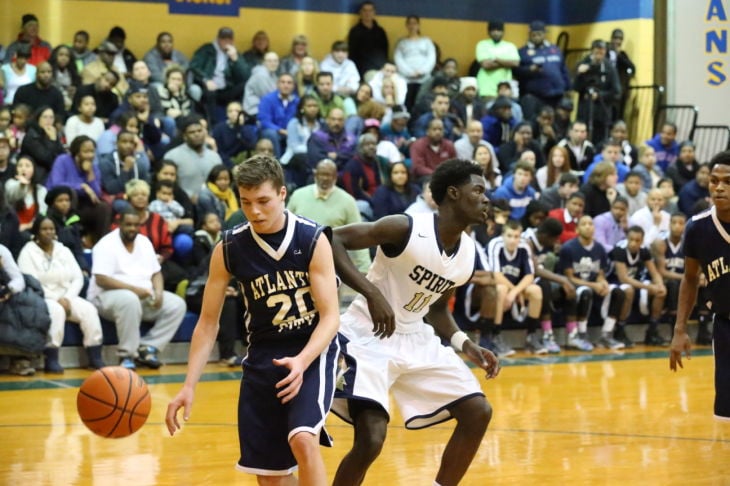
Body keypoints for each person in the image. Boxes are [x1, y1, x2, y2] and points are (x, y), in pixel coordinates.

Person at [166, 154, 340, 484]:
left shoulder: (312, 239)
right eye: (246, 202)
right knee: (270, 476)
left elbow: (331, 317)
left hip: (313, 349)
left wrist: (302, 361)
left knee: (303, 438)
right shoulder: (230, 247)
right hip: (263, 354)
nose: (254, 211)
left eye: (263, 201)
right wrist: (188, 385)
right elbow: (207, 323)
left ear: (282, 194)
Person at [330, 158, 499, 486]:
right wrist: (371, 293)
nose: (486, 199)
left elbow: (436, 310)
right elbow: (333, 239)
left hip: (415, 336)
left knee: (478, 411)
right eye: (478, 190)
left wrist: (466, 344)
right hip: (368, 335)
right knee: (371, 441)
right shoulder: (404, 227)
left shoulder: (467, 255)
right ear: (453, 193)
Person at [671, 150, 730, 420]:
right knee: (726, 413)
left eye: (727, 181)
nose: (719, 187)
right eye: (714, 180)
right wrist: (680, 329)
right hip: (726, 324)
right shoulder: (697, 228)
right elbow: (690, 278)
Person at [87, 209, 186, 369]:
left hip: (142, 295)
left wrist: (159, 292)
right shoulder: (106, 244)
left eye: (135, 225)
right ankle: (127, 355)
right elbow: (102, 279)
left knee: (176, 304)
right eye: (128, 225)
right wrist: (134, 290)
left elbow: (156, 272)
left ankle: (148, 347)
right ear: (119, 225)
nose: (132, 228)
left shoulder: (144, 242)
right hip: (105, 298)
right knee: (129, 299)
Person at [18, 216, 106, 372]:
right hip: (42, 297)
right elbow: (31, 282)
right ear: (36, 232)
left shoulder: (63, 250)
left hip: (67, 295)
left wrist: (67, 297)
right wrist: (56, 299)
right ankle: (51, 358)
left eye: (51, 229)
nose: (48, 232)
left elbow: (78, 277)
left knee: (89, 310)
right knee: (57, 311)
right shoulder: (28, 252)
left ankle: (95, 356)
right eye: (44, 229)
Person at [558, 215, 632, 350]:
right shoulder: (568, 248)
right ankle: (581, 333)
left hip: (594, 285)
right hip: (577, 287)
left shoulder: (599, 248)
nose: (588, 227)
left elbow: (600, 275)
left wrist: (603, 283)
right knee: (586, 292)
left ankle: (607, 334)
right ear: (577, 229)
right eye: (584, 224)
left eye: (590, 224)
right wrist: (594, 285)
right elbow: (570, 278)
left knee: (618, 292)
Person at [486, 220, 543, 356]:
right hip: (493, 287)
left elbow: (530, 275)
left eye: (516, 236)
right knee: (501, 289)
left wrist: (515, 292)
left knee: (536, 290)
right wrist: (514, 292)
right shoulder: (495, 244)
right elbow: (497, 276)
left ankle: (531, 336)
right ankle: (495, 336)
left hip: (516, 288)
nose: (513, 240)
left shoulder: (524, 246)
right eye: (509, 236)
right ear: (503, 236)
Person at [609, 226, 668, 346]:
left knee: (661, 292)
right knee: (629, 290)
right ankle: (619, 331)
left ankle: (652, 331)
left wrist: (660, 285)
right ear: (627, 238)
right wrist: (649, 287)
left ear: (642, 241)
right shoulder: (619, 250)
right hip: (613, 283)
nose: (633, 243)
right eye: (631, 239)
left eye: (637, 240)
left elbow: (654, 273)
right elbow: (623, 278)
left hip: (635, 282)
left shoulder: (644, 251)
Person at [573, 40, 621, 145]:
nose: (599, 55)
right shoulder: (583, 63)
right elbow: (575, 87)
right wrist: (580, 74)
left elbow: (616, 91)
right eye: (597, 52)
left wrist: (600, 95)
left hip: (602, 113)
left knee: (601, 141)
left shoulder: (609, 67)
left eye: (602, 52)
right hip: (585, 112)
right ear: (592, 51)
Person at [394, 15, 437, 110]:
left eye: (414, 23)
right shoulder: (401, 43)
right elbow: (398, 59)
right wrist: (409, 73)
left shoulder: (427, 41)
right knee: (406, 104)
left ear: (418, 25)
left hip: (424, 79)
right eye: (409, 23)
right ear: (406, 25)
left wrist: (421, 71)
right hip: (406, 79)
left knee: (421, 104)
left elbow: (431, 58)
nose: (412, 26)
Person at [475, 19, 520, 100]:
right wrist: (506, 63)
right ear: (488, 32)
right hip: (486, 89)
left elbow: (515, 63)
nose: (496, 33)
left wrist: (496, 59)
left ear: (503, 32)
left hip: (505, 89)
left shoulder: (510, 46)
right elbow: (485, 65)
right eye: (493, 30)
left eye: (499, 30)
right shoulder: (482, 44)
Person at [347, 1, 389, 76]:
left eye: (370, 11)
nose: (367, 13)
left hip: (382, 68)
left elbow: (385, 52)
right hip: (364, 69)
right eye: (365, 10)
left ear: (374, 12)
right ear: (360, 12)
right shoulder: (355, 31)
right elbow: (353, 54)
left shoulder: (380, 31)